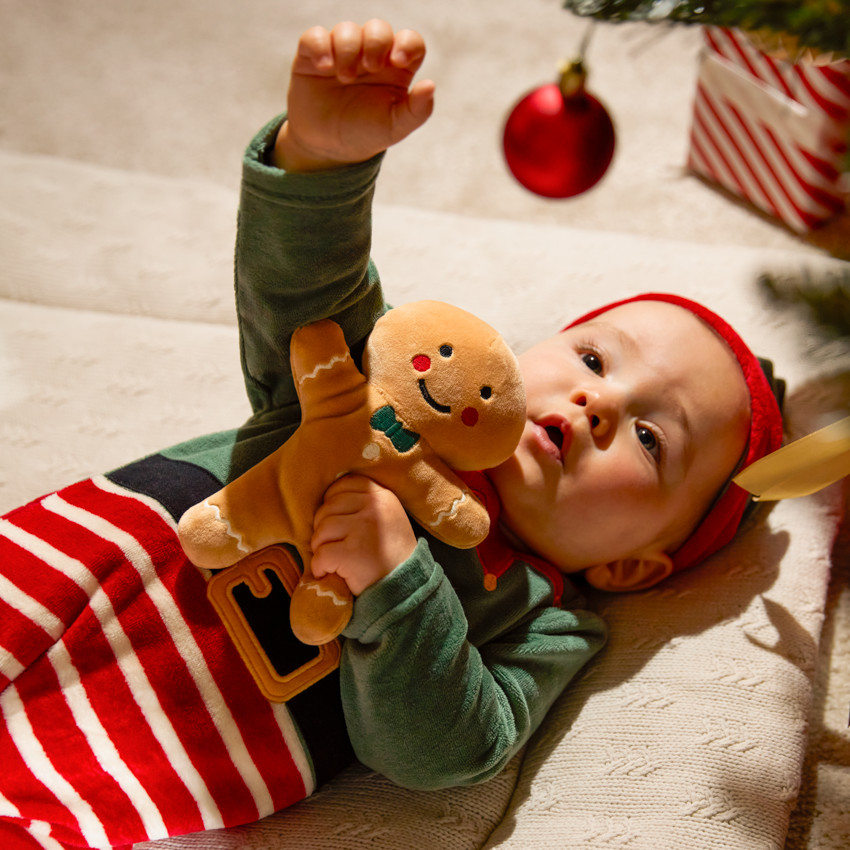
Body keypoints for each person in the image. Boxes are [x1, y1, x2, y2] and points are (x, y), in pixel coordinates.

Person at [0, 20, 783, 850]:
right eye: (592, 358)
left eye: (651, 439)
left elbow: (449, 751)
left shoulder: (545, 621)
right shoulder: (393, 393)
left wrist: (399, 582)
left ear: (630, 565)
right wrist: (321, 160)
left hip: (134, 760)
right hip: (71, 560)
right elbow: (308, 291)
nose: (598, 403)